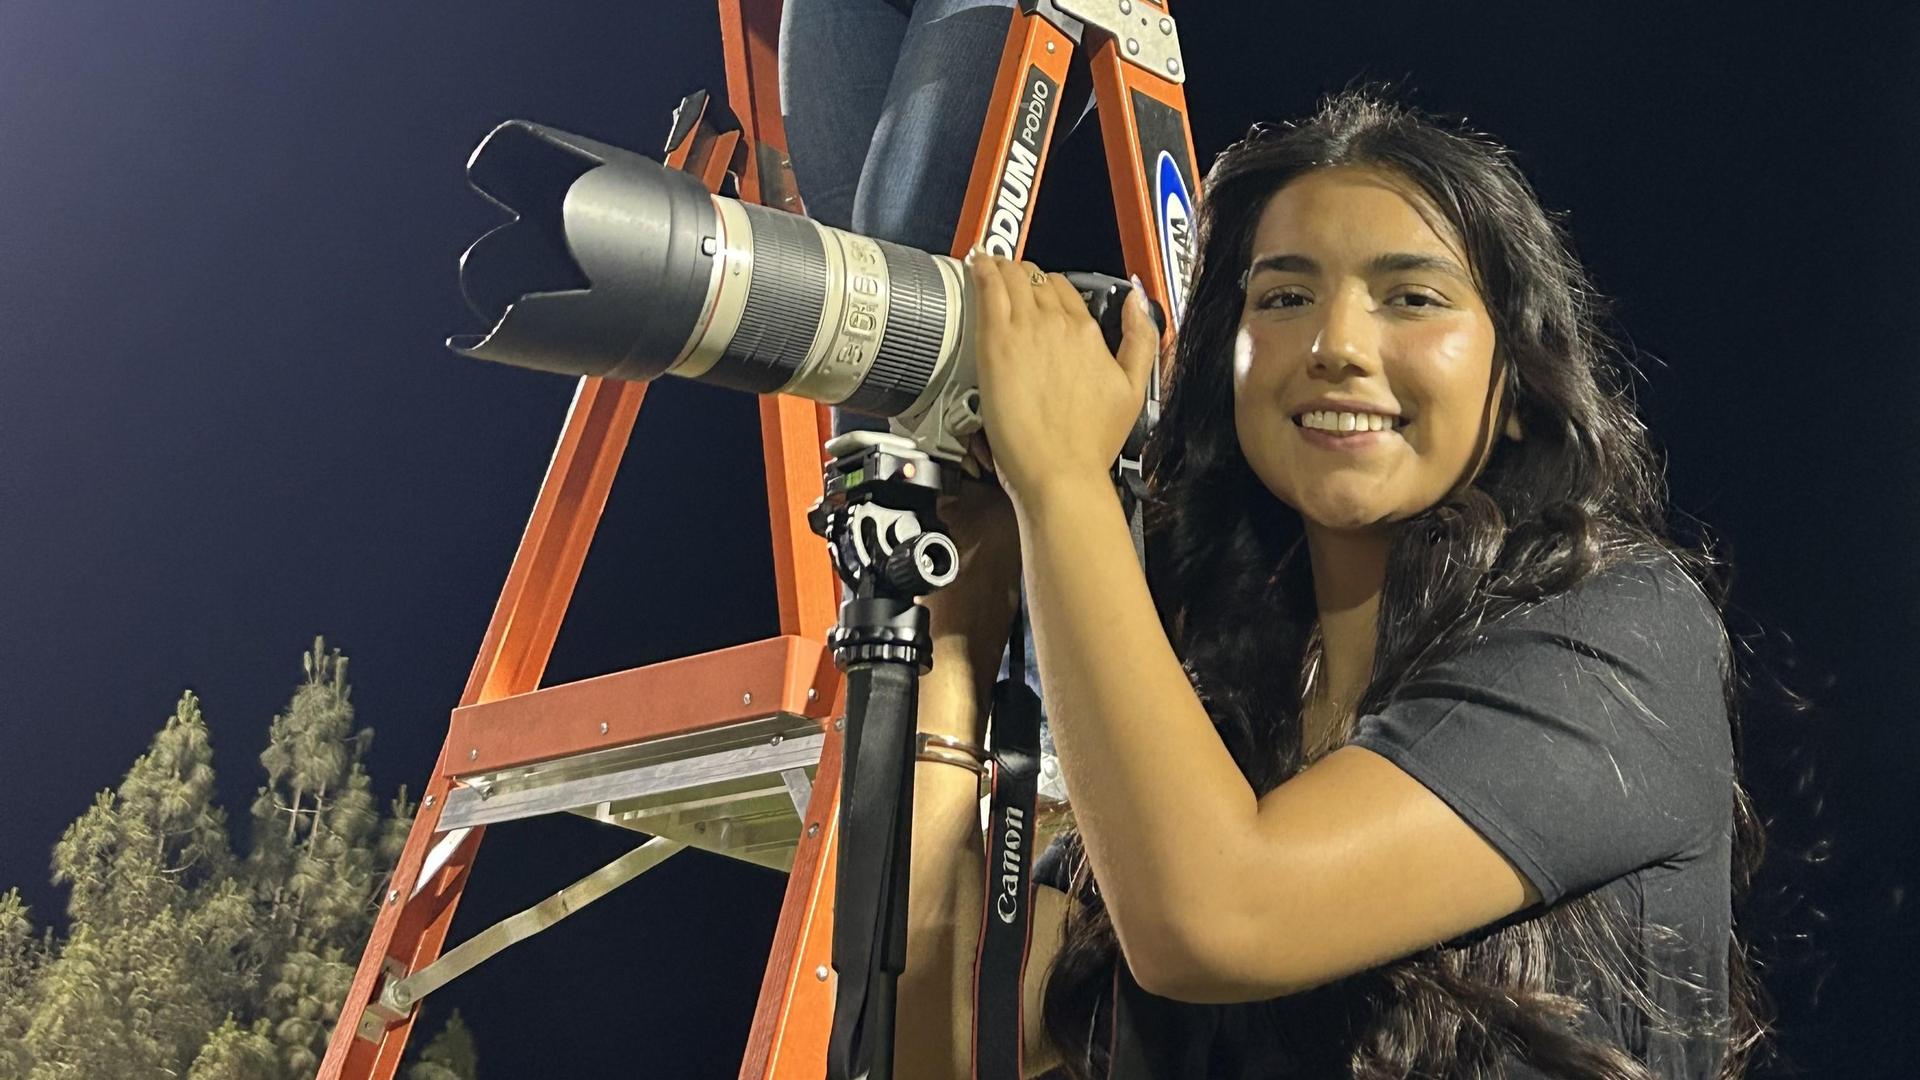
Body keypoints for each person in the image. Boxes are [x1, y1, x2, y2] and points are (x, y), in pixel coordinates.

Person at [895, 87, 1768, 1080]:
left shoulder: (1616, 637)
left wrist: (1058, 481)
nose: (1337, 346)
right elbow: (925, 1038)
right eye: (1283, 297)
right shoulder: (1204, 737)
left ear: (1519, 385)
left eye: (1411, 296)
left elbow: (1220, 917)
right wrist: (956, 621)